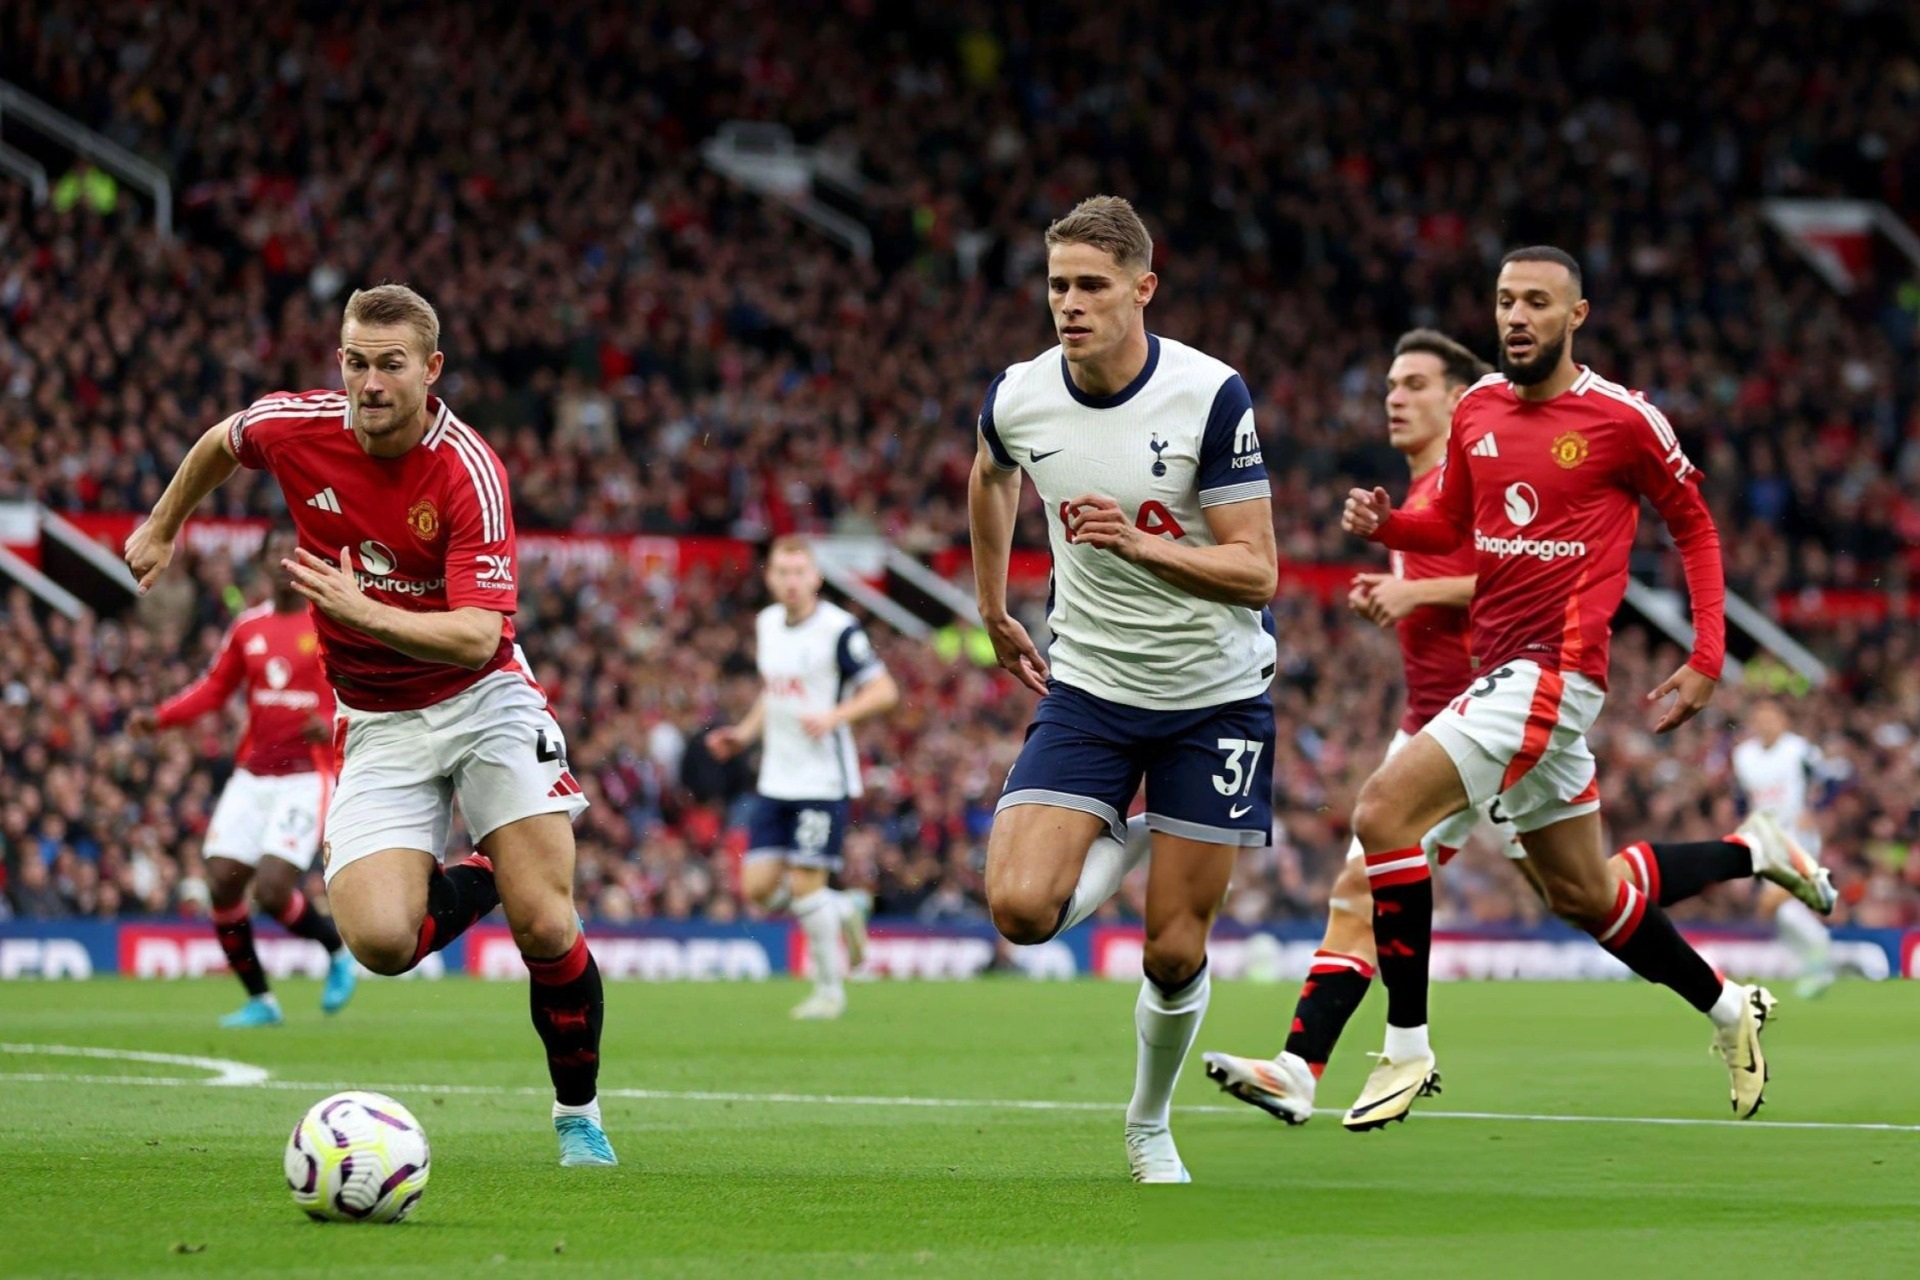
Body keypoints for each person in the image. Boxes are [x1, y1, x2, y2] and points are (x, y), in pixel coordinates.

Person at [1203, 332, 1834, 1124]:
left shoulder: (1503, 459)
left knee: (1370, 863)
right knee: (1582, 890)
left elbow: (1518, 572)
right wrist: (1394, 534)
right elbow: (1455, 546)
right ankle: (1739, 926)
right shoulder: (1436, 486)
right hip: (1463, 708)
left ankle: (1344, 1059)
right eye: (1391, 383)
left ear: (1458, 395)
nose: (1396, 397)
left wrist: (1417, 596)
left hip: (1499, 701)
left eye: (1416, 384)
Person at [123, 284, 615, 1167]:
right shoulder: (296, 426)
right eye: (356, 359)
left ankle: (577, 1115)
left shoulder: (468, 469)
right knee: (382, 943)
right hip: (378, 717)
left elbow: (476, 634)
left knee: (547, 925)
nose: (370, 381)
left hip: (482, 701)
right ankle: (493, 870)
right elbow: (222, 442)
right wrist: (163, 527)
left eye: (391, 364)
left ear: (431, 370)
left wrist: (362, 608)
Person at [1337, 246, 1776, 1128]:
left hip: (1555, 671)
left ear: (1577, 315)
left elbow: (1693, 527)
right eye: (1505, 301)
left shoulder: (1624, 420)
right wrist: (1391, 523)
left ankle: (1407, 1047)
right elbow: (1450, 519)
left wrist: (1707, 655)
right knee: (1584, 895)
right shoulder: (1477, 411)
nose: (1516, 317)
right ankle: (1732, 1009)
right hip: (1498, 670)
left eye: (1537, 302)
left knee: (1383, 813)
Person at [969, 195, 1278, 1182]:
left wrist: (1139, 541)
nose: (1069, 302)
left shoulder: (1210, 394)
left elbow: (1259, 570)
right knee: (1018, 908)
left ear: (1142, 289)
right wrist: (990, 604)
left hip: (1215, 696)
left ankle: (1149, 1122)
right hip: (1092, 686)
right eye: (1058, 284)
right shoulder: (1019, 396)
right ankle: (1142, 829)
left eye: (1092, 284)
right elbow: (990, 473)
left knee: (1171, 949)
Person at [129, 527, 355, 1027]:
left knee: (273, 890)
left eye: (288, 553)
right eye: (271, 553)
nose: (280, 561)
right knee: (221, 884)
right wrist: (161, 716)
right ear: (259, 563)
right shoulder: (248, 628)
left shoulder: (333, 624)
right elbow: (214, 689)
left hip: (305, 775)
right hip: (254, 774)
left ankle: (337, 952)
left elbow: (358, 690)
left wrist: (334, 720)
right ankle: (262, 1001)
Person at [705, 536, 899, 1020]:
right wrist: (744, 735)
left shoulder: (839, 629)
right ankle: (845, 907)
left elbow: (884, 690)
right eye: (782, 572)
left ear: (815, 577)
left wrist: (836, 716)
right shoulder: (767, 623)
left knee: (807, 887)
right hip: (776, 779)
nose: (791, 582)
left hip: (822, 781)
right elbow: (775, 695)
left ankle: (830, 991)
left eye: (799, 572)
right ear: (770, 577)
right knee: (758, 890)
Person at [1730, 700, 1838, 997]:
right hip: (1766, 838)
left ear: (1783, 720)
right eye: (1759, 717)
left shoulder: (1798, 750)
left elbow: (1831, 780)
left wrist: (1813, 808)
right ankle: (1815, 966)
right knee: (1776, 910)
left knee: (1777, 901)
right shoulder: (1744, 755)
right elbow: (1741, 796)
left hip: (1797, 835)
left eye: (1771, 717)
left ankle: (1820, 952)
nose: (1765, 723)